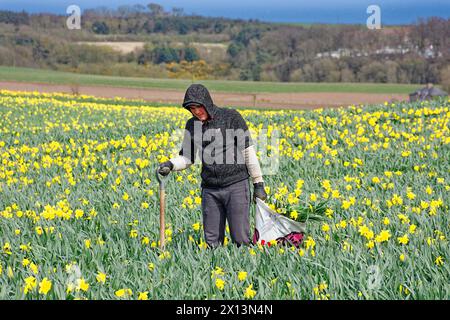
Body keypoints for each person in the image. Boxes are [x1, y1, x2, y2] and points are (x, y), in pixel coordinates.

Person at [158, 84, 267, 247]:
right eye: (192, 108)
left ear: (207, 103)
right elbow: (187, 157)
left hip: (236, 185)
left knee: (241, 239)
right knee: (212, 242)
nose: (196, 111)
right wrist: (170, 164)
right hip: (210, 190)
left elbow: (248, 151)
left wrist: (258, 184)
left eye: (199, 106)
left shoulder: (231, 117)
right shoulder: (191, 125)